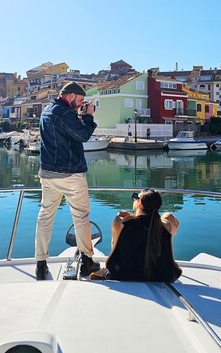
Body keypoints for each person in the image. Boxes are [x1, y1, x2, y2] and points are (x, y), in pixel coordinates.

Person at [35, 81, 100, 280]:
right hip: (70, 175)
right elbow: (83, 135)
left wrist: (80, 114)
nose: (81, 104)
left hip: (48, 174)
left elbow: (67, 132)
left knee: (45, 216)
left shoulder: (47, 111)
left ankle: (40, 264)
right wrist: (88, 116)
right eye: (80, 101)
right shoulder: (65, 113)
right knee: (81, 217)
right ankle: (87, 262)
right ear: (70, 96)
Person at [90, 189, 182, 282]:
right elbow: (173, 222)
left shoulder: (121, 223)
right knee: (168, 216)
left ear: (140, 203)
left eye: (135, 197)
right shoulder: (166, 226)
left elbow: (115, 248)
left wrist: (130, 217)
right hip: (159, 276)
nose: (133, 199)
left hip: (124, 275)